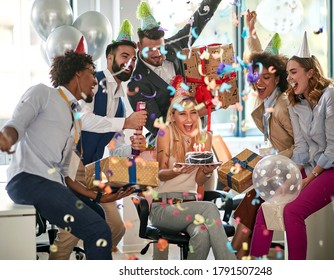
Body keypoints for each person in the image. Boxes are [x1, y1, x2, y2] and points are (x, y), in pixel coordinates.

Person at [0, 50, 134, 260]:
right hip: (28, 180)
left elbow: (66, 174)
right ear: (77, 74)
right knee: (98, 230)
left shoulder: (75, 117)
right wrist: (7, 138)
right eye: (91, 73)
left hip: (52, 183)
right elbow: (16, 124)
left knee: (99, 215)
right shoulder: (43, 93)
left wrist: (99, 197)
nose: (95, 82)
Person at [249, 32, 334, 260]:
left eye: (293, 73)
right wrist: (288, 175)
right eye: (288, 73)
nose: (289, 78)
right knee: (266, 207)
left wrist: (310, 177)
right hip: (314, 167)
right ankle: (254, 267)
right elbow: (300, 148)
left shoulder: (331, 97)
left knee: (292, 211)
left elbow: (333, 148)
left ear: (310, 73)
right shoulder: (294, 102)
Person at [49, 20, 147, 260]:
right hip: (73, 166)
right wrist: (125, 123)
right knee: (68, 234)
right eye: (125, 56)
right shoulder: (92, 83)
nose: (129, 63)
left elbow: (114, 148)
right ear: (109, 58)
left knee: (115, 227)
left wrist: (131, 148)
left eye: (133, 59)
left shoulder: (122, 100)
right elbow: (83, 118)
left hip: (96, 170)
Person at [230, 11, 294, 259]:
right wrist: (251, 29)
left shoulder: (283, 105)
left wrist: (272, 163)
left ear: (278, 78)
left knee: (254, 196)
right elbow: (257, 59)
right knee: (251, 196)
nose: (259, 81)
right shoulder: (268, 99)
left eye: (266, 77)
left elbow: (302, 145)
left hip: (295, 166)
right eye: (256, 76)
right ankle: (240, 251)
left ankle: (236, 251)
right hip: (281, 164)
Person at [149, 94, 236, 260]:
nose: (189, 119)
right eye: (182, 114)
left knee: (202, 233)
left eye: (193, 113)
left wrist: (207, 171)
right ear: (173, 116)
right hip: (164, 208)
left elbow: (198, 180)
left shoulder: (204, 138)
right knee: (209, 208)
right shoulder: (165, 132)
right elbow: (159, 173)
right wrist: (176, 171)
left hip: (190, 206)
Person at [127, 0, 223, 146]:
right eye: (150, 50)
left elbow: (198, 21)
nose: (157, 54)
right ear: (139, 46)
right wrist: (197, 111)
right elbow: (158, 126)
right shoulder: (136, 85)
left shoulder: (174, 46)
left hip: (198, 136)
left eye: (160, 47)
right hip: (168, 146)